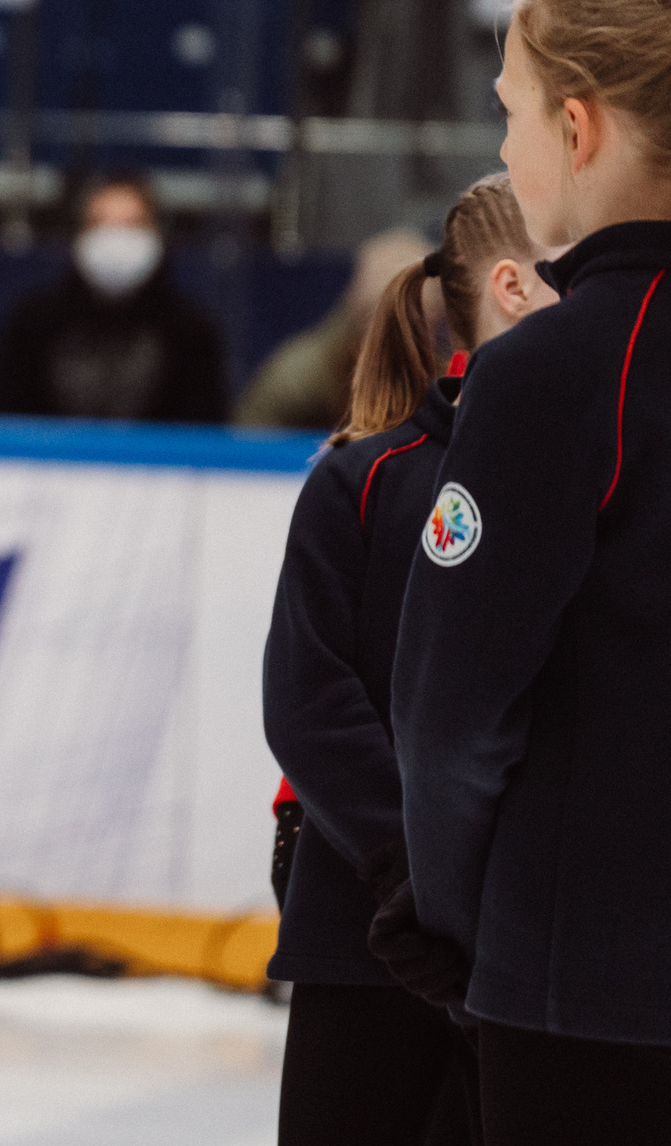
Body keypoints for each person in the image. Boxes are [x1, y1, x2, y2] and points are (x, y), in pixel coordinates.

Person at [387, 0, 671, 1143]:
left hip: (585, 989)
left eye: (508, 109)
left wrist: (456, 921)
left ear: (578, 124)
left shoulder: (553, 370)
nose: (501, 147)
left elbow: (448, 721)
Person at [263, 174, 549, 1146]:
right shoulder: (362, 476)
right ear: (515, 285)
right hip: (370, 931)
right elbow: (306, 700)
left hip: (533, 949)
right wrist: (416, 876)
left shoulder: (606, 480)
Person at [0, 172, 229, 422]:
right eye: (100, 224)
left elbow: (202, 432)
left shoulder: (192, 334)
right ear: (77, 236)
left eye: (132, 225)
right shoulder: (32, 326)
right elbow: (11, 426)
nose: (115, 239)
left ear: (159, 236)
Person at [236, 228, 432, 430]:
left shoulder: (449, 376)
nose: (396, 349)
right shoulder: (295, 381)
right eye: (383, 331)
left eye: (416, 332)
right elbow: (246, 452)